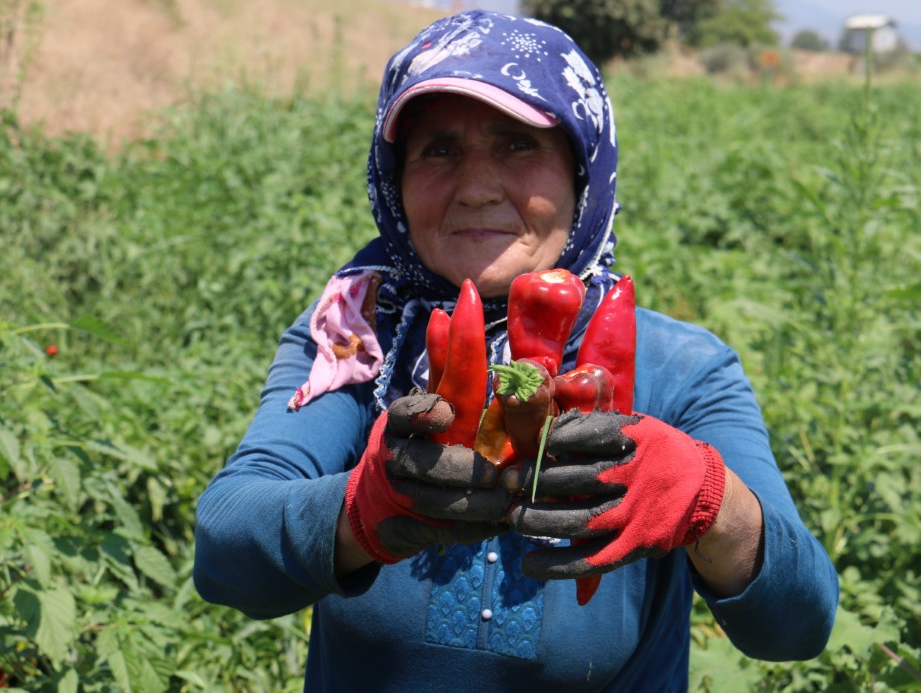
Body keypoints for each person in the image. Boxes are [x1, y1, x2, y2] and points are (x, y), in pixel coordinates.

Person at [193, 9, 839, 691]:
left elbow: (797, 623)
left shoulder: (681, 370)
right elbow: (226, 550)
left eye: (517, 145)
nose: (476, 187)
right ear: (396, 181)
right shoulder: (354, 341)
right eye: (437, 149)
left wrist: (712, 503)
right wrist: (357, 512)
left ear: (581, 172)